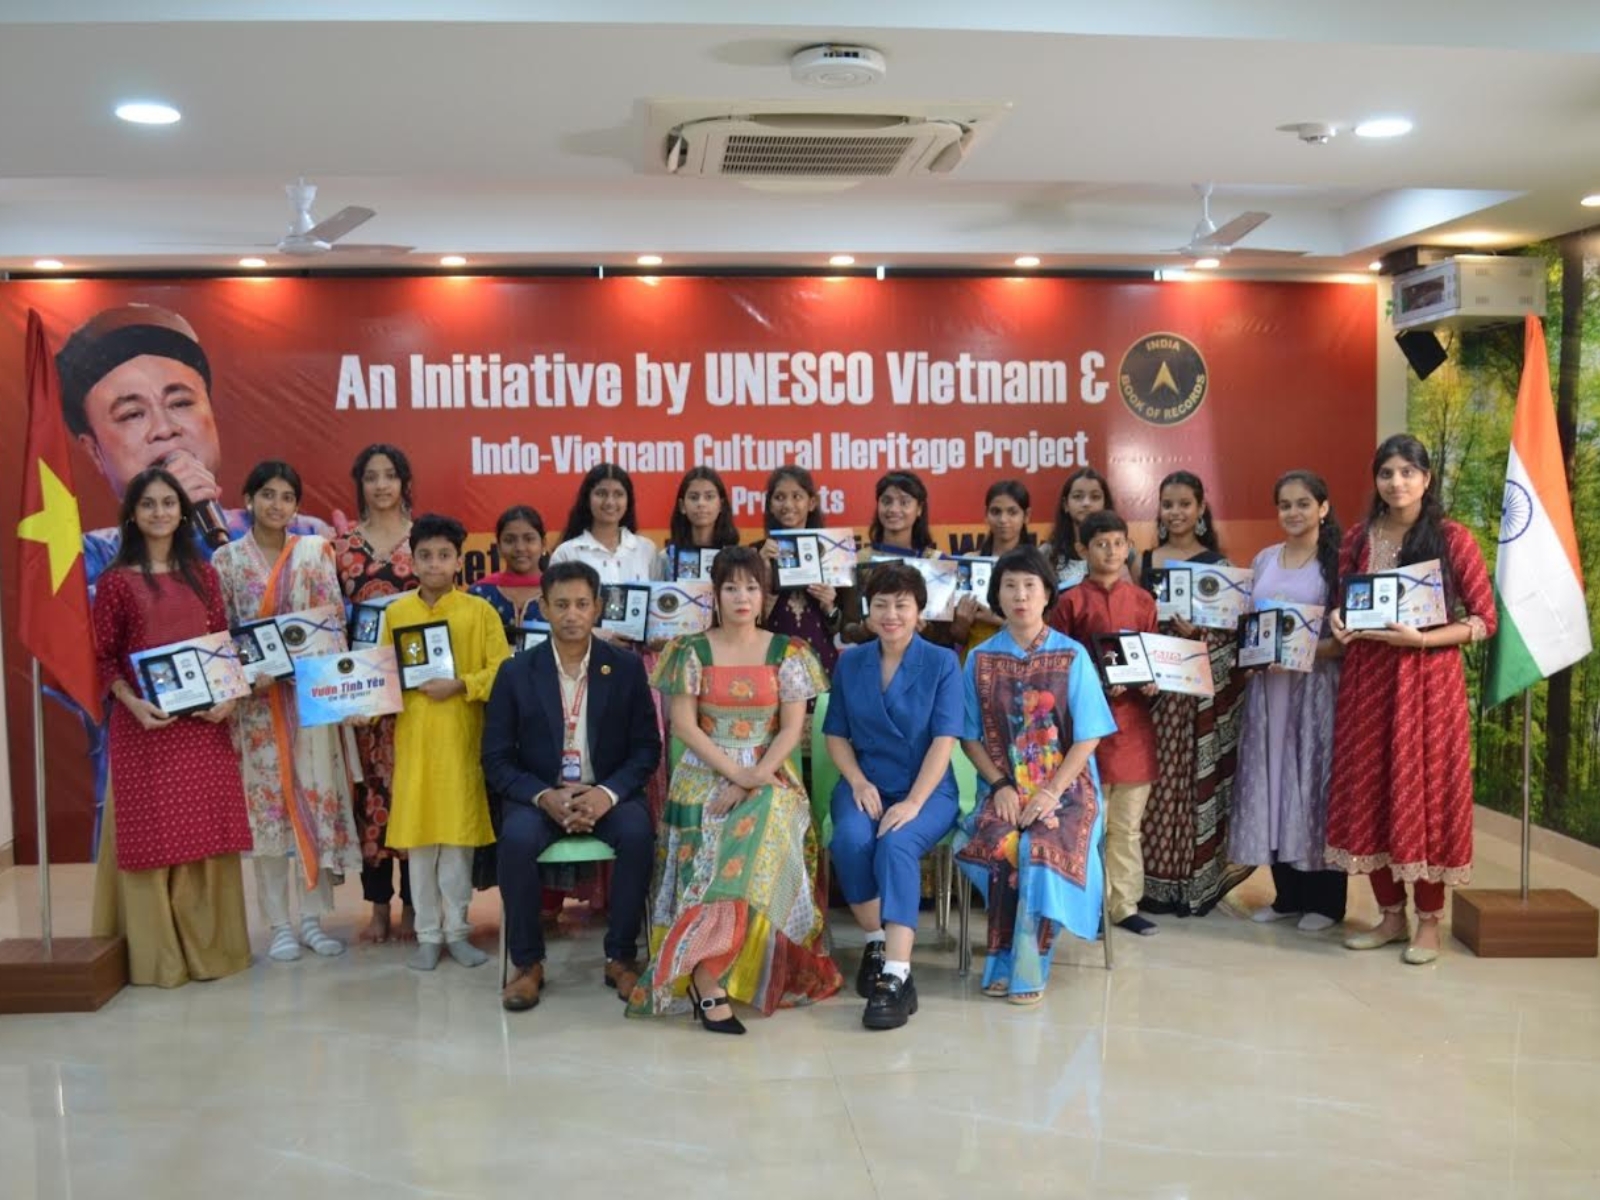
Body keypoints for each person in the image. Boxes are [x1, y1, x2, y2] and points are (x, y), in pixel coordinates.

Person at [628, 546, 841, 1032]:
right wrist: (735, 775)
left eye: (751, 587)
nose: (742, 597)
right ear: (715, 594)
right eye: (731, 587)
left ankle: (709, 971)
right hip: (706, 770)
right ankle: (707, 972)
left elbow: (790, 730)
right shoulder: (689, 650)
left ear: (766, 594)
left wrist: (753, 778)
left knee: (764, 821)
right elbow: (684, 726)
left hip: (770, 771)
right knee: (721, 830)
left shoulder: (788, 652)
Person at [1325, 436, 1495, 965]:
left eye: (1407, 472)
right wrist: (1338, 621)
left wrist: (1422, 640)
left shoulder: (1452, 539)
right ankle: (1390, 916)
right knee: (1371, 792)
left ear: (1427, 478)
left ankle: (1428, 922)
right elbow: (1343, 606)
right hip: (1367, 683)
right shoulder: (1357, 538)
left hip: (1426, 684)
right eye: (1386, 473)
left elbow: (1484, 620)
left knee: (1422, 794)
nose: (1396, 482)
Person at [89, 467, 252, 987]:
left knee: (206, 834)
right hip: (145, 730)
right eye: (148, 504)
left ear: (183, 511)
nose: (160, 512)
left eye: (168, 503)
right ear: (133, 514)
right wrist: (130, 704)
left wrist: (227, 697)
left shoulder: (203, 575)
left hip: (204, 728)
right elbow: (103, 658)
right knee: (152, 840)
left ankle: (213, 951)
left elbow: (222, 641)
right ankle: (159, 959)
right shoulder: (116, 581)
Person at [482, 561, 662, 1012]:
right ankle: (527, 965)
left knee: (639, 834)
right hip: (542, 794)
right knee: (517, 840)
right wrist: (545, 796)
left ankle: (621, 956)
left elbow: (646, 749)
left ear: (598, 608)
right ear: (543, 607)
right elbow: (496, 759)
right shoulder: (516, 672)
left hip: (606, 792)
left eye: (582, 604)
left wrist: (606, 795)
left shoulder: (624, 668)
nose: (572, 614)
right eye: (560, 604)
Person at [56, 303, 330, 592]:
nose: (164, 428)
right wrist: (169, 525)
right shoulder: (86, 559)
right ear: (94, 451)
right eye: (133, 414)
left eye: (181, 403)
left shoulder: (299, 535)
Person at [213, 461, 363, 962]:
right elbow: (224, 634)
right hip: (255, 709)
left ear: (297, 506)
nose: (276, 505)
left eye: (286, 497)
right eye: (267, 495)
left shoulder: (316, 553)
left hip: (309, 703)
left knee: (315, 803)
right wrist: (246, 675)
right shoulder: (227, 561)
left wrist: (335, 689)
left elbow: (331, 626)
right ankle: (279, 924)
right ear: (248, 498)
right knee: (269, 815)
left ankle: (314, 920)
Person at [956, 547, 1115, 1005]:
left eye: (1030, 585)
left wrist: (1050, 791)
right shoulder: (979, 659)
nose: (1020, 595)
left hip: (1067, 789)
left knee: (1040, 847)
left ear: (1047, 592)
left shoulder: (1073, 655)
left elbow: (1088, 738)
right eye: (1010, 586)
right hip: (1004, 789)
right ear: (997, 595)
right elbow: (969, 738)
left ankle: (1029, 966)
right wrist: (1001, 785)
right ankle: (1000, 958)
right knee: (1007, 846)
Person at [824, 561, 963, 1030]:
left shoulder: (942, 662)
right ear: (867, 610)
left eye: (902, 604)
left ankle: (898, 978)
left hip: (927, 789)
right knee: (849, 840)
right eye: (881, 604)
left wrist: (914, 803)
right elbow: (836, 735)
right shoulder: (851, 662)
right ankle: (876, 942)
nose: (891, 614)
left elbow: (944, 742)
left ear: (919, 610)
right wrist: (859, 782)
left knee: (898, 843)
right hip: (865, 783)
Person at [379, 514, 512, 971]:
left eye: (443, 555)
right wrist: (363, 701)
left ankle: (457, 931)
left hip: (459, 744)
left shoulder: (479, 612)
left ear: (460, 561)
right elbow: (383, 676)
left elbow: (502, 671)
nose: (434, 564)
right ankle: (427, 935)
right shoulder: (396, 614)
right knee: (420, 845)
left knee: (457, 844)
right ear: (411, 560)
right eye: (424, 556)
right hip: (414, 744)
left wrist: (461, 685)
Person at [1230, 471, 1349, 933]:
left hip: (1314, 691)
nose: (1293, 513)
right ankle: (1287, 896)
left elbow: (1344, 640)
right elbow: (1244, 624)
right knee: (1274, 785)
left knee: (1313, 787)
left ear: (1323, 507)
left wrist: (1297, 654)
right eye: (1285, 505)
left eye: (1303, 503)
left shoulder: (1337, 562)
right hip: (1266, 693)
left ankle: (1326, 901)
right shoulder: (1263, 560)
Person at [1138, 470, 1249, 916]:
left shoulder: (1220, 568)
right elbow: (1132, 623)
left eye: (1185, 503)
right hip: (1153, 697)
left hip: (1198, 703)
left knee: (1190, 788)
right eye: (1168, 504)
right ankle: (1146, 884)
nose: (1176, 512)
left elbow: (1235, 639)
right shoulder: (1143, 561)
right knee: (1152, 786)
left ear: (1201, 508)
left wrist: (1199, 633)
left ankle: (1191, 886)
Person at [1048, 510, 1161, 936]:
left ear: (1129, 546)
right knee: (1086, 825)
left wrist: (1153, 684)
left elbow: (1154, 660)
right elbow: (1056, 666)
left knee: (1127, 827)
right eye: (1100, 543)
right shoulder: (1069, 601)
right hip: (1085, 734)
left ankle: (1123, 906)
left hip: (1133, 729)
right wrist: (1094, 685)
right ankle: (1086, 906)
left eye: (1118, 542)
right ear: (1082, 549)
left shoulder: (1145, 602)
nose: (1111, 551)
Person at [332, 444, 419, 942]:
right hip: (365, 693)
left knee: (411, 791)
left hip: (416, 692)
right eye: (371, 477)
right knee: (371, 798)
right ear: (360, 484)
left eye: (390, 475)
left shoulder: (423, 540)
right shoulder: (342, 547)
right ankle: (378, 906)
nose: (381, 485)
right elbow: (333, 623)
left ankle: (414, 904)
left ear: (405, 481)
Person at [755, 465, 852, 674]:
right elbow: (746, 621)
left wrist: (830, 607)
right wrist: (761, 574)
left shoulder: (832, 551)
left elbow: (845, 628)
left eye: (797, 496)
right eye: (779, 497)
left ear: (812, 503)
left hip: (821, 662)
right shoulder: (756, 554)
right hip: (770, 663)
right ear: (770, 505)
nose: (788, 505)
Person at [953, 479, 1031, 658]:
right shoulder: (968, 562)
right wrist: (962, 622)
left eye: (1012, 512)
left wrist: (995, 620)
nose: (1003, 520)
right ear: (986, 515)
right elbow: (957, 636)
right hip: (975, 660)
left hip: (1023, 661)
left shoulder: (1037, 565)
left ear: (1026, 516)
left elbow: (1044, 630)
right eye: (996, 512)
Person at [549, 462, 659, 587]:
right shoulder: (567, 553)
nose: (610, 502)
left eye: (618, 494)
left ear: (628, 500)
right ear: (587, 498)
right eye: (601, 493)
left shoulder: (646, 550)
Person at [469, 505, 547, 645]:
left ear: (543, 544)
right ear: (498, 547)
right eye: (510, 540)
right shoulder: (480, 594)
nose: (520, 548)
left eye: (529, 539)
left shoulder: (557, 592)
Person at [658, 466, 742, 582]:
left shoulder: (736, 557)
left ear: (721, 505)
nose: (701, 503)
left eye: (709, 497)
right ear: (682, 506)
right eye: (694, 497)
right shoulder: (666, 558)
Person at [1045, 468, 1115, 592]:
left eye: (1095, 497)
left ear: (1105, 504)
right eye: (1078, 497)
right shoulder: (1047, 553)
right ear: (1065, 505)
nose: (1086, 503)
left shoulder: (1123, 553)